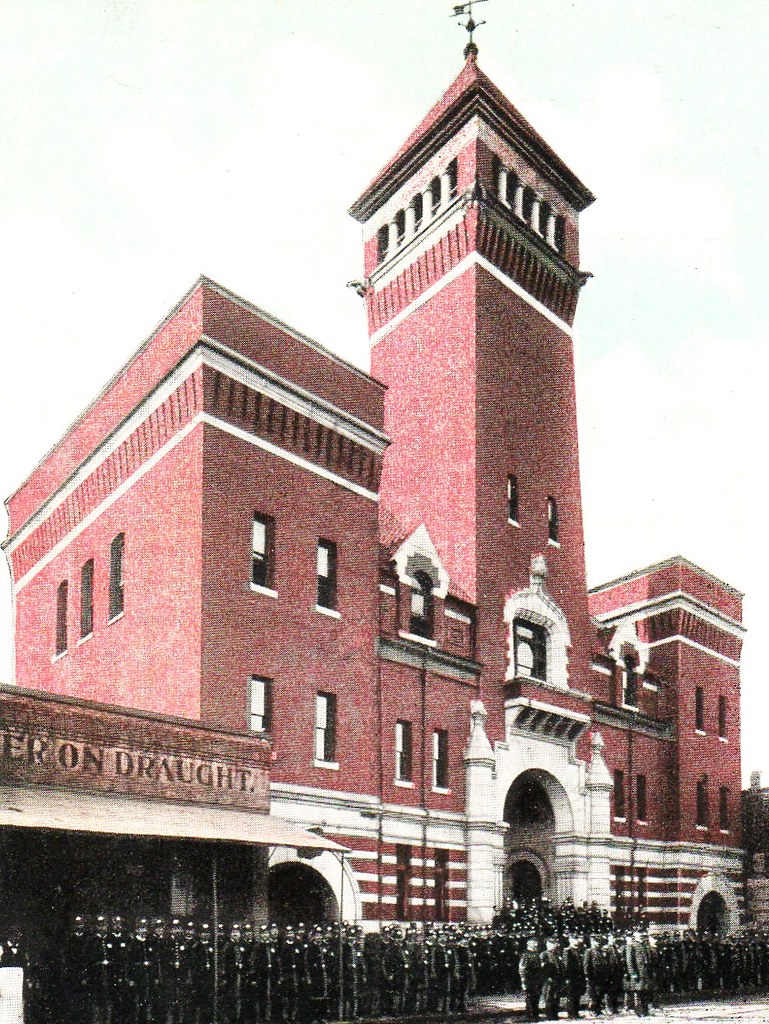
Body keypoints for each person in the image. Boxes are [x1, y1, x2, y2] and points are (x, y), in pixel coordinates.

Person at [625, 927, 653, 1016]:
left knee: (646, 992)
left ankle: (645, 1010)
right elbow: (630, 961)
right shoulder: (632, 946)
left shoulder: (645, 945)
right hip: (638, 973)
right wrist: (632, 973)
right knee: (638, 993)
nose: (641, 937)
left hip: (645, 972)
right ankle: (639, 1011)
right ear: (635, 937)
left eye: (642, 936)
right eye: (639, 936)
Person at [540, 935, 563, 1021]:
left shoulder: (556, 955)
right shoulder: (544, 954)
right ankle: (549, 1015)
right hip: (548, 980)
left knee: (556, 997)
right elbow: (542, 968)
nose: (554, 945)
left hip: (557, 979)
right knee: (549, 997)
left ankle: (555, 1014)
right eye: (551, 944)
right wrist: (546, 977)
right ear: (547, 944)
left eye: (555, 943)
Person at [583, 933, 608, 1015]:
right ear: (593, 942)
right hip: (592, 976)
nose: (599, 944)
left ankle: (598, 1009)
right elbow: (586, 964)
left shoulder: (600, 952)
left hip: (600, 976)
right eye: (597, 942)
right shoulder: (589, 952)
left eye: (600, 942)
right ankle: (592, 1009)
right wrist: (587, 975)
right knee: (592, 994)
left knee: (600, 993)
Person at [518, 937, 542, 1022]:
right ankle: (531, 1016)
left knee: (536, 999)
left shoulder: (536, 953)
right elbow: (522, 969)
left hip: (536, 980)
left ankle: (535, 1015)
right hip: (529, 980)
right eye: (534, 942)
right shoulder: (525, 955)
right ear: (528, 943)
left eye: (536, 942)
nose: (536, 944)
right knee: (530, 999)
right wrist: (523, 981)